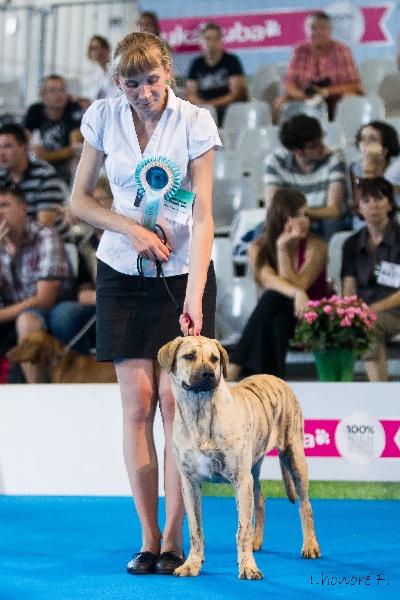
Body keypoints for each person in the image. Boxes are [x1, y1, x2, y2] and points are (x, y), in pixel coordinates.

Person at [70, 32, 220, 575]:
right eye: (132, 83)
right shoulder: (102, 117)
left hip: (182, 275)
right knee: (137, 406)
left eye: (152, 80)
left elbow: (203, 214)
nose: (143, 92)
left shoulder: (195, 122)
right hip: (120, 270)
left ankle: (177, 537)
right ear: (118, 82)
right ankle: (148, 537)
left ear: (168, 74)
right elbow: (79, 200)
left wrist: (195, 294)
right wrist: (128, 228)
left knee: (175, 405)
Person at [226, 188, 329, 382]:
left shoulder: (317, 246)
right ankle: (275, 384)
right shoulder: (257, 247)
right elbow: (267, 279)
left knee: (272, 299)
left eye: (306, 215)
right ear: (280, 218)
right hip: (280, 317)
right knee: (277, 317)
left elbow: (300, 284)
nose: (303, 221)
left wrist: (282, 249)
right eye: (295, 216)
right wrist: (297, 293)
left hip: (310, 317)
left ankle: (233, 369)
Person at [0, 185, 72, 383]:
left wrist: (2, 315)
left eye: (4, 205)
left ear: (23, 208)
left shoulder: (45, 236)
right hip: (13, 312)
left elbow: (44, 300)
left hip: (54, 308)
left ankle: (36, 390)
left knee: (27, 320)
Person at [341, 177, 400, 382]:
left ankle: (379, 391)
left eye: (378, 198)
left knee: (369, 326)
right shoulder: (351, 244)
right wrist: (354, 311)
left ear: (390, 204)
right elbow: (348, 288)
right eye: (366, 200)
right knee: (329, 327)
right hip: (365, 311)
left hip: (395, 310)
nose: (372, 204)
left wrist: (372, 310)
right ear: (358, 208)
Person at [51, 175, 114, 354]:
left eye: (98, 200)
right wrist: (102, 297)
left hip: (130, 305)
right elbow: (83, 293)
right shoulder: (85, 245)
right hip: (100, 307)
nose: (92, 207)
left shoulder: (129, 236)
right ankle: (82, 365)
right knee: (63, 314)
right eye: (88, 202)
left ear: (115, 201)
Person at [264, 113, 346, 241]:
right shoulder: (275, 161)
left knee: (331, 224)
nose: (322, 148)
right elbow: (272, 208)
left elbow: (334, 211)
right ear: (296, 151)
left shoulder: (334, 156)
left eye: (321, 140)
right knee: (265, 228)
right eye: (314, 146)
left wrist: (304, 214)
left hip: (321, 221)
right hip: (290, 221)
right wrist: (297, 217)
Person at [276, 11, 364, 121]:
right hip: (305, 98)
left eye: (322, 28)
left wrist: (326, 92)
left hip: (334, 97)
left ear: (330, 31)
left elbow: (354, 85)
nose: (317, 32)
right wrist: (303, 95)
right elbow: (289, 85)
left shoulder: (342, 50)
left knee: (350, 97)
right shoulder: (299, 50)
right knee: (280, 103)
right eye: (313, 28)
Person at [0, 123, 68, 227]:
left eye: (7, 146)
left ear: (24, 147)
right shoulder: (1, 176)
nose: (1, 153)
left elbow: (45, 226)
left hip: (47, 236)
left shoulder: (45, 176)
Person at [23, 74, 84, 185]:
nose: (58, 95)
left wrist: (46, 156)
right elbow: (26, 144)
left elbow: (75, 148)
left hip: (67, 165)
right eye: (52, 90)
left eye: (62, 90)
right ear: (42, 96)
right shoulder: (35, 110)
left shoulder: (73, 109)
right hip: (41, 165)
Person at [185, 22, 248, 126]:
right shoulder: (196, 63)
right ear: (202, 42)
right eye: (208, 39)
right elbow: (190, 94)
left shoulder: (231, 61)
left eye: (216, 38)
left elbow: (236, 94)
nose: (212, 43)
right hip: (204, 109)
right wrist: (203, 105)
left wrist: (212, 105)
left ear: (221, 40)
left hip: (227, 108)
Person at [351, 121, 400, 208]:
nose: (364, 144)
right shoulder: (357, 167)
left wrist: (369, 166)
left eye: (372, 139)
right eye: (362, 139)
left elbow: (377, 202)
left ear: (385, 149)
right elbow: (361, 205)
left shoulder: (397, 166)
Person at [82, 35, 117, 104]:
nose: (98, 52)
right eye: (93, 49)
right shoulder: (94, 74)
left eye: (100, 48)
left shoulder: (116, 70)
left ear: (107, 50)